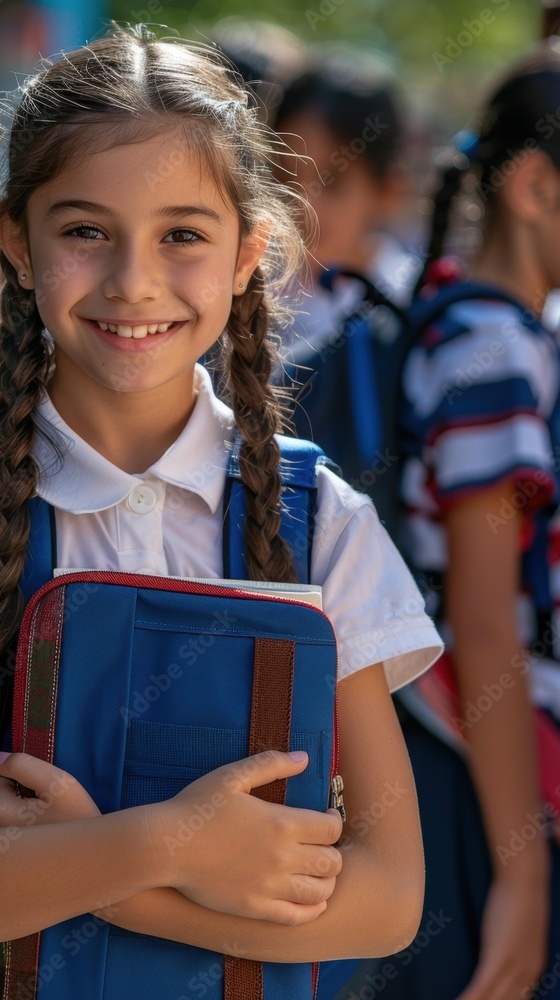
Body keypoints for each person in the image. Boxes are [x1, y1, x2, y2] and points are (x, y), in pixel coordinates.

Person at [0, 26, 442, 1000]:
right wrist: (171, 842)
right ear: (14, 245)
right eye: (84, 230)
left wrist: (126, 873)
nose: (132, 281)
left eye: (181, 235)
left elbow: (386, 900)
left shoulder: (322, 518)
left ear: (249, 251)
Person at [356, 40, 560, 1000]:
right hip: (497, 789)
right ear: (534, 188)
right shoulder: (495, 350)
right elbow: (485, 621)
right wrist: (522, 873)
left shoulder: (452, 310)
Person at [273, 50, 419, 530]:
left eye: (332, 182)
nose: (304, 206)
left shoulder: (416, 305)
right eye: (285, 177)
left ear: (388, 190)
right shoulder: (240, 304)